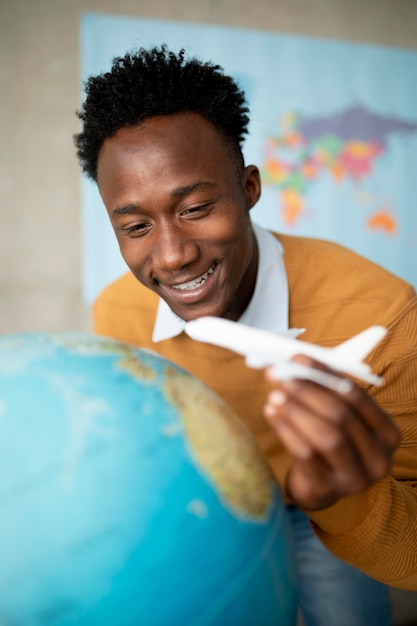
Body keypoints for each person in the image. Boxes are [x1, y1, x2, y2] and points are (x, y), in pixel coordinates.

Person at [74, 45, 417, 625]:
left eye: (198, 206)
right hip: (207, 511)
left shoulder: (382, 316)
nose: (174, 255)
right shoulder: (117, 314)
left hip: (322, 516)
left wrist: (337, 496)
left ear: (250, 187)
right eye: (135, 226)